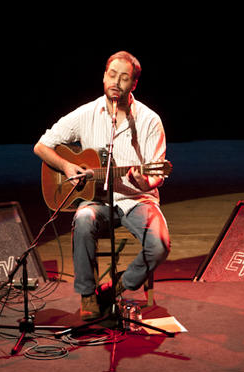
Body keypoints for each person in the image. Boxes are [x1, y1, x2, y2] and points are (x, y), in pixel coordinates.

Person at [34, 50, 170, 320]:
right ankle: (87, 294)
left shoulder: (149, 120)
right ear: (104, 76)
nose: (115, 83)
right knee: (84, 218)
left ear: (133, 84)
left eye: (124, 78)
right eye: (111, 75)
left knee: (160, 245)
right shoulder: (86, 113)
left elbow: (156, 176)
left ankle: (115, 287)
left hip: (137, 200)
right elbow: (41, 145)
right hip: (96, 201)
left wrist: (140, 178)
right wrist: (67, 166)